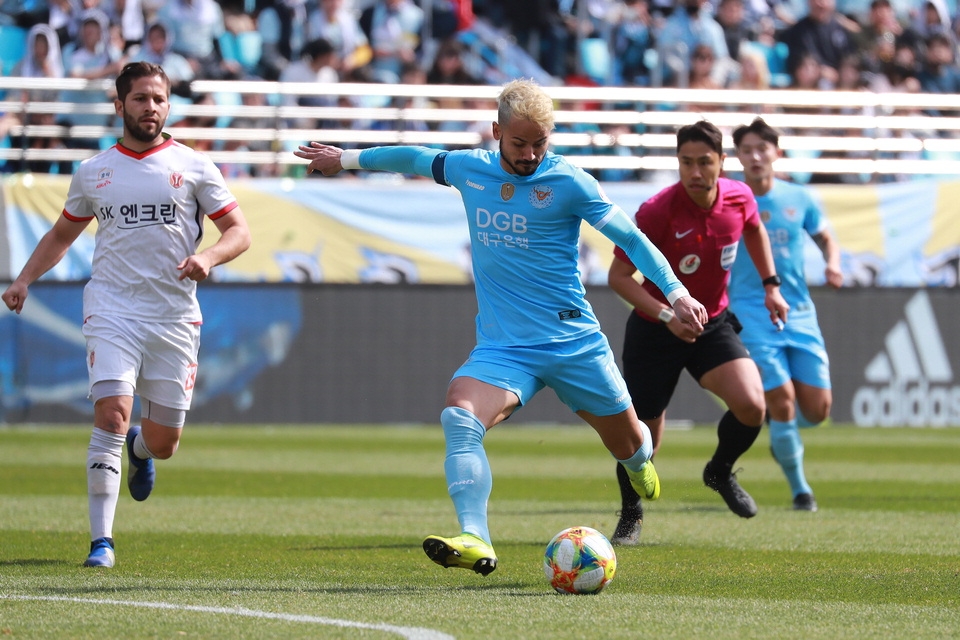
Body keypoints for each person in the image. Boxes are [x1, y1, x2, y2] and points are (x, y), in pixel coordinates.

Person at [294, 78, 709, 575]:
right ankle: (476, 537)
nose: (530, 154)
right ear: (496, 131)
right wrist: (348, 159)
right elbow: (412, 157)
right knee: (459, 415)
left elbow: (633, 240)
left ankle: (640, 457)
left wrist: (678, 294)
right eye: (519, 143)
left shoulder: (570, 183)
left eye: (540, 143)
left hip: (573, 343)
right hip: (505, 349)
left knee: (628, 446)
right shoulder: (470, 170)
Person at [1, 61, 251, 568]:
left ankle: (140, 450)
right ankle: (102, 542)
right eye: (139, 99)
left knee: (164, 444)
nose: (151, 108)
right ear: (119, 106)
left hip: (174, 316)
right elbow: (61, 235)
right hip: (112, 307)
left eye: (158, 99)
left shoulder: (195, 166)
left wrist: (207, 258)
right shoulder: (95, 172)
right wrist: (24, 279)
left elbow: (239, 233)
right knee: (112, 413)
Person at [608, 119, 789, 546]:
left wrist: (771, 285)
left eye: (704, 162)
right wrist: (668, 315)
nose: (694, 172)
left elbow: (755, 230)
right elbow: (619, 277)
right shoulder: (657, 211)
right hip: (656, 330)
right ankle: (630, 516)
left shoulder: (739, 196)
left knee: (752, 407)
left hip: (713, 324)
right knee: (643, 441)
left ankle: (719, 472)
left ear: (723, 162)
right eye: (686, 162)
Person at [729, 118, 842, 511]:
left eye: (763, 148)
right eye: (747, 150)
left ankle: (783, 433)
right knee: (783, 401)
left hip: (800, 311)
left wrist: (833, 264)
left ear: (777, 152)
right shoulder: (729, 197)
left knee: (818, 409)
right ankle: (801, 491)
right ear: (738, 157)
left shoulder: (800, 197)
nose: (756, 156)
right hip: (750, 311)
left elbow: (826, 236)